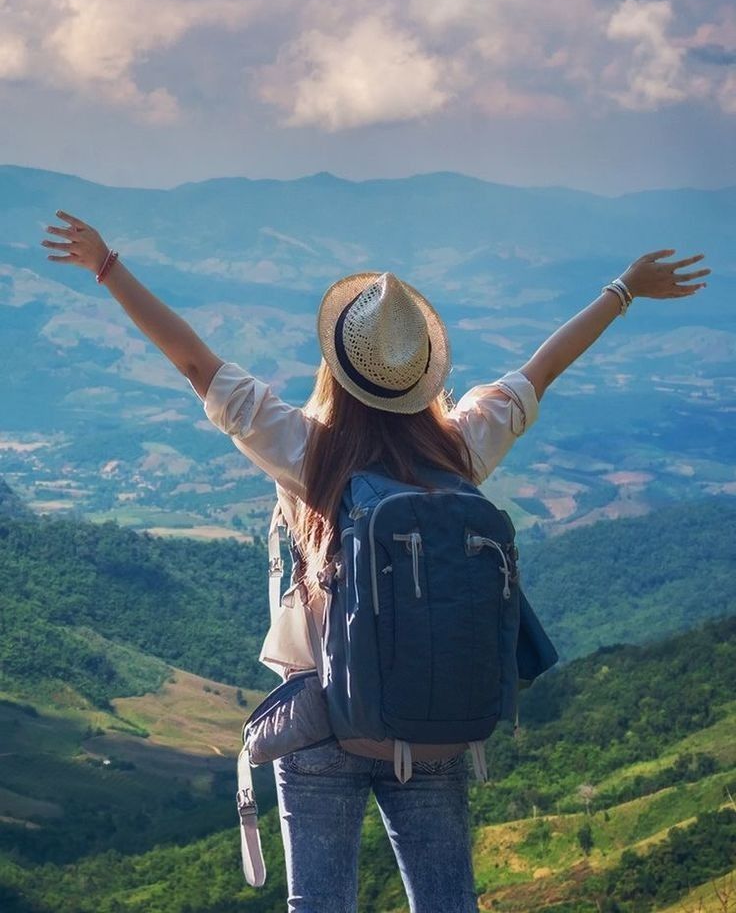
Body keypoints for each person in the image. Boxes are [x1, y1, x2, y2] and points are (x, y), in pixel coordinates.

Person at [41, 208, 710, 912]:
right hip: (432, 719)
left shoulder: (307, 450)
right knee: (447, 902)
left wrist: (108, 267)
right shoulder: (460, 448)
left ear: (335, 366)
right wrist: (623, 289)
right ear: (422, 373)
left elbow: (194, 362)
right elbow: (540, 371)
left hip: (324, 719)